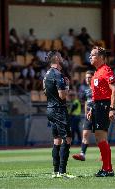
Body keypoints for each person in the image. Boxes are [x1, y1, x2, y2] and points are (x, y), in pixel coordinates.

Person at [42, 51, 75, 179]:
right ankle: (63, 172)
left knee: (57, 140)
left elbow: (46, 92)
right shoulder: (57, 74)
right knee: (67, 138)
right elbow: (62, 95)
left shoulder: (47, 75)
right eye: (60, 56)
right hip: (59, 110)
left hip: (50, 109)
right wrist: (67, 85)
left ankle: (56, 171)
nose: (62, 57)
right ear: (56, 58)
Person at [87, 46, 115, 177]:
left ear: (101, 57)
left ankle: (108, 169)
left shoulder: (106, 70)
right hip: (97, 106)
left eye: (93, 55)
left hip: (104, 106)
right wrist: (91, 109)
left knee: (101, 136)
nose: (90, 57)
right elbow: (96, 94)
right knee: (99, 137)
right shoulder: (97, 72)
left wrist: (112, 108)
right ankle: (106, 168)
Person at [72, 70, 94, 161]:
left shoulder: (97, 88)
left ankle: (105, 155)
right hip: (88, 116)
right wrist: (85, 114)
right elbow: (86, 102)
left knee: (100, 136)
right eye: (86, 77)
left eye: (89, 77)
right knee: (85, 134)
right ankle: (82, 154)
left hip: (97, 114)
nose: (88, 79)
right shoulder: (86, 90)